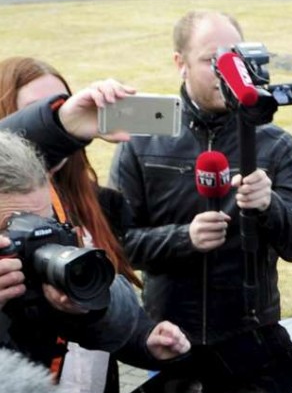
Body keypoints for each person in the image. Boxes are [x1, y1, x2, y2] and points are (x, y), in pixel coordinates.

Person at [109, 9, 292, 346]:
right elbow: (116, 245)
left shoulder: (275, 143)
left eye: (234, 57)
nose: (224, 71)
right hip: (170, 337)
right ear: (180, 62)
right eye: (210, 60)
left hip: (253, 335)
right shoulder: (143, 141)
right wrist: (184, 238)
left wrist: (269, 205)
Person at [0, 57, 150, 393]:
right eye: (9, 229)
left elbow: (121, 315)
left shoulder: (93, 202)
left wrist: (87, 307)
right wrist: (58, 123)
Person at [0, 127, 190, 377]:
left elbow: (113, 309)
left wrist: (135, 334)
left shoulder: (36, 260)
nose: (33, 243)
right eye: (13, 232)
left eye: (44, 224)